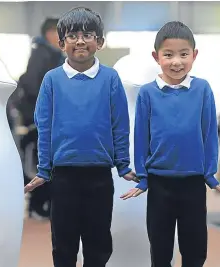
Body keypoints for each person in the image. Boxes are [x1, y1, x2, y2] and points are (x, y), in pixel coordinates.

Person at [24, 7, 136, 267]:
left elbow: (120, 124)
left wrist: (123, 164)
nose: (81, 41)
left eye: (88, 34)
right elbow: (45, 127)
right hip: (63, 177)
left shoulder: (110, 78)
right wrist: (43, 168)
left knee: (98, 244)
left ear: (100, 41)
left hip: (99, 176)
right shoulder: (52, 80)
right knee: (64, 244)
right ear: (62, 43)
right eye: (73, 35)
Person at [120, 21, 220, 267]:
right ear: (156, 56)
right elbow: (141, 137)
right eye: (168, 55)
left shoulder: (202, 89)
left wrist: (210, 175)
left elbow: (209, 134)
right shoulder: (147, 93)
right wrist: (143, 176)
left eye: (184, 54)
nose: (176, 62)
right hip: (160, 184)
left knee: (195, 250)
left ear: (194, 55)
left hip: (193, 183)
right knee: (160, 250)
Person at [16, 18, 65, 221]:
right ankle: (38, 205)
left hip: (51, 119)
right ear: (49, 34)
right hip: (42, 120)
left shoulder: (52, 54)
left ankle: (45, 204)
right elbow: (32, 85)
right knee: (45, 163)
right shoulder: (42, 54)